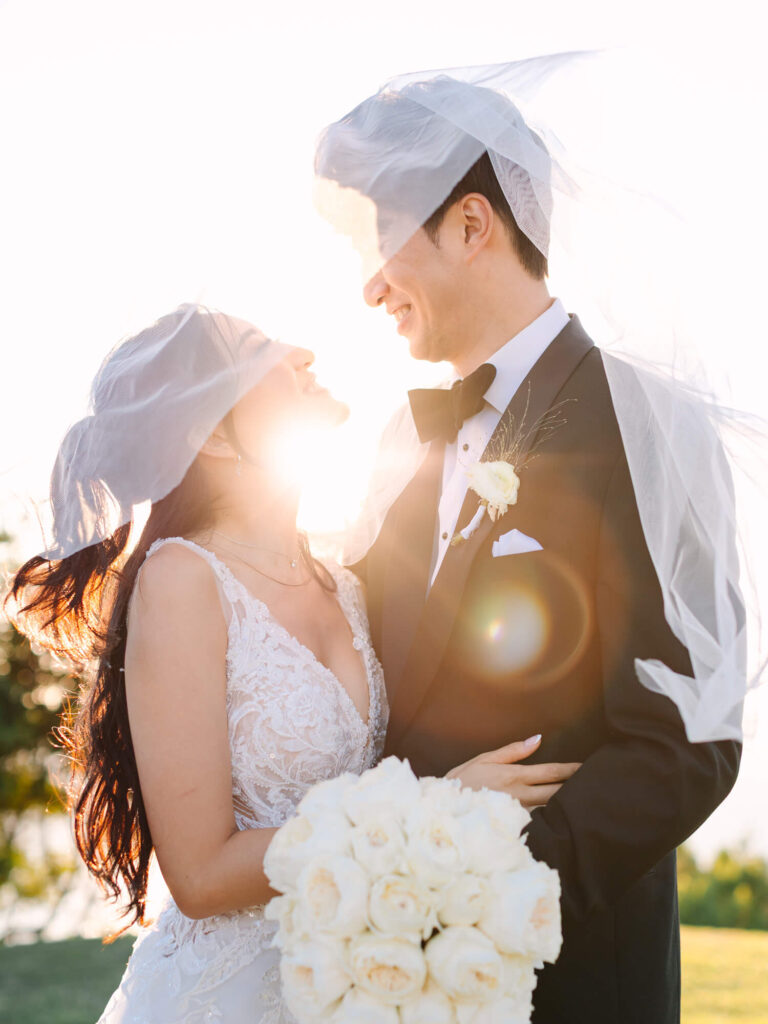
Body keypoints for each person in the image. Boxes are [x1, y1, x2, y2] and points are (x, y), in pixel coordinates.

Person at [315, 65, 743, 1023]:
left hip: (572, 975)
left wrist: (477, 886)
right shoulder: (396, 444)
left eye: (383, 241)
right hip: (384, 974)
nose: (370, 284)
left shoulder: (644, 419)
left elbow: (688, 733)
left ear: (473, 226)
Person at [7, 304, 577, 1023]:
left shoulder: (347, 580)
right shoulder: (182, 580)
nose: (299, 351)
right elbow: (202, 875)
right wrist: (430, 809)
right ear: (212, 434)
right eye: (260, 354)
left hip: (344, 984)